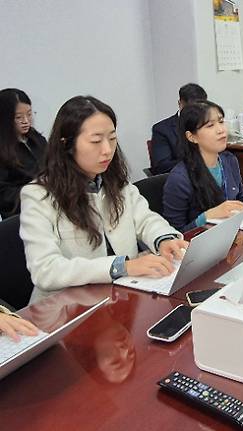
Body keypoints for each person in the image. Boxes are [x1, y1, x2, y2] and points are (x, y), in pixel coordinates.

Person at [20, 96, 188, 304]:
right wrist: (121, 266)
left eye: (112, 138)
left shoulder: (115, 182)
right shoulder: (38, 195)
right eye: (96, 141)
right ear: (66, 144)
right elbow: (46, 270)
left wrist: (164, 239)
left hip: (122, 296)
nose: (107, 149)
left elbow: (145, 219)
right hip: (66, 310)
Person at [163, 100, 243, 232]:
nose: (221, 130)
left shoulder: (229, 160)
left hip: (232, 237)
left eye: (221, 121)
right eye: (210, 125)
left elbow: (237, 199)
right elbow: (173, 235)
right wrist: (205, 217)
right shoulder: (180, 179)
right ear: (191, 137)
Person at [0, 88, 47, 218]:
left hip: (48, 208)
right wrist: (34, 190)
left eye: (29, 114)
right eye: (18, 117)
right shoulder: (3, 149)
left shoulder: (37, 139)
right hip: (21, 215)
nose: (26, 121)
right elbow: (3, 195)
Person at [150, 83, 208, 175]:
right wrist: (195, 162)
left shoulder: (208, 124)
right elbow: (162, 166)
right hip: (180, 179)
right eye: (191, 108)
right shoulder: (162, 129)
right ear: (180, 104)